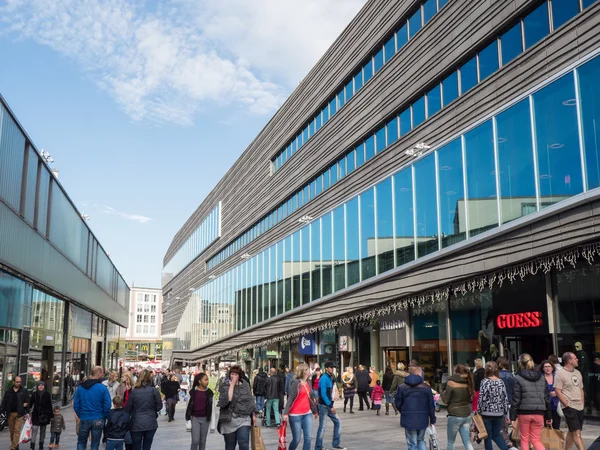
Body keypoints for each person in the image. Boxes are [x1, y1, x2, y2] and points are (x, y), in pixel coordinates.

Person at [510, 353, 551, 450]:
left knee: (524, 439)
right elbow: (547, 398)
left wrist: (512, 416)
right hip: (539, 412)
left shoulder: (518, 378)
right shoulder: (541, 377)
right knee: (536, 440)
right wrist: (549, 416)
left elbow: (516, 398)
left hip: (524, 412)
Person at [395, 361, 436, 450]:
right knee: (421, 440)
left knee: (412, 443)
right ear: (418, 372)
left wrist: (404, 411)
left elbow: (397, 403)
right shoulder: (426, 387)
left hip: (408, 419)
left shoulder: (402, 387)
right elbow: (431, 405)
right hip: (423, 419)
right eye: (421, 372)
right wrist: (432, 419)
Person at [217, 365, 257, 450]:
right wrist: (231, 386)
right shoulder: (225, 386)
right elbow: (228, 400)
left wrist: (253, 414)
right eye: (232, 374)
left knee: (243, 443)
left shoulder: (245, 385)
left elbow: (250, 399)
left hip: (244, 418)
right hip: (229, 419)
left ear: (239, 376)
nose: (234, 376)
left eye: (236, 374)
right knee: (230, 445)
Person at [74, 366, 112, 450]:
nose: (103, 374)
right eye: (102, 373)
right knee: (95, 444)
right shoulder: (102, 388)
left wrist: (81, 415)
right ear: (98, 374)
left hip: (84, 417)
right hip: (98, 417)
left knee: (81, 442)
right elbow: (107, 405)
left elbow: (76, 404)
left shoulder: (80, 388)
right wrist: (104, 416)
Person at [124, 369, 162, 450]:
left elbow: (127, 409)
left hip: (136, 422)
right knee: (147, 446)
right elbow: (159, 407)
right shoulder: (154, 391)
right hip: (151, 422)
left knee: (136, 446)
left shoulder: (134, 392)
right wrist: (152, 409)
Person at [283, 363, 318, 450]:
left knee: (308, 438)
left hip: (307, 414)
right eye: (308, 369)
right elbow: (290, 399)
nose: (310, 370)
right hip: (295, 415)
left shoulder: (308, 382)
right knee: (297, 439)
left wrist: (315, 411)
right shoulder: (295, 383)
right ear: (304, 371)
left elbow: (310, 398)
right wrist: (285, 413)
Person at [554, 352, 585, 450]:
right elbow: (557, 391)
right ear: (569, 361)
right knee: (577, 432)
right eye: (575, 358)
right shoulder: (560, 373)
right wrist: (566, 404)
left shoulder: (578, 373)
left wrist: (582, 403)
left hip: (579, 405)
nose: (577, 360)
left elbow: (581, 389)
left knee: (572, 431)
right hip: (569, 406)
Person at [478, 362, 509, 450]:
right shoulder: (501, 381)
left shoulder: (484, 381)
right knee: (497, 436)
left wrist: (479, 410)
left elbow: (482, 398)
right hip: (499, 413)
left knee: (487, 437)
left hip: (486, 412)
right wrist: (506, 414)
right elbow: (505, 398)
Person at [442, 364, 474, 450]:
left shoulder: (451, 382)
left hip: (455, 414)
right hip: (466, 414)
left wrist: (442, 393)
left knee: (450, 442)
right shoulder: (468, 382)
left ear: (456, 372)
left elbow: (445, 400)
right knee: (467, 442)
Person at [315, 361, 346, 450]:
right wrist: (330, 406)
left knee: (338, 422)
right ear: (326, 368)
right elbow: (323, 394)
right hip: (324, 406)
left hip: (328, 405)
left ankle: (335, 444)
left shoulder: (330, 377)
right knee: (322, 427)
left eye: (333, 367)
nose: (332, 369)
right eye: (331, 367)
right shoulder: (324, 378)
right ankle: (318, 447)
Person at [186, 372, 214, 450]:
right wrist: (188, 419)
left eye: (207, 380)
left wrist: (213, 424)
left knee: (202, 441)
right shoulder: (192, 392)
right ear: (199, 381)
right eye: (205, 380)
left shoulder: (209, 393)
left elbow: (213, 409)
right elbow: (188, 406)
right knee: (195, 440)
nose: (207, 381)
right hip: (194, 418)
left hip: (205, 419)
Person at [0, 376, 29, 450]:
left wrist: (26, 406)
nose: (18, 383)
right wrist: (2, 411)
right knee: (12, 431)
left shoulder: (24, 391)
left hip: (20, 413)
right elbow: (4, 402)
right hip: (10, 413)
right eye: (17, 382)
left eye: (20, 382)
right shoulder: (8, 391)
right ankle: (15, 444)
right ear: (14, 382)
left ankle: (13, 447)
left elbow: (27, 400)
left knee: (17, 430)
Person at [497, 357, 517, 449]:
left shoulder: (497, 375)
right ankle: (511, 439)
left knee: (503, 426)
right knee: (513, 424)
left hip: (501, 403)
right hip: (511, 401)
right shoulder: (512, 375)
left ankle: (508, 443)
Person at [30, 381, 54, 450]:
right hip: (35, 414)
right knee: (34, 429)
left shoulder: (47, 394)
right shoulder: (34, 394)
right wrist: (27, 411)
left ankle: (41, 445)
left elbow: (50, 405)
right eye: (39, 385)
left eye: (42, 385)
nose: (41, 386)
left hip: (44, 415)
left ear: (44, 386)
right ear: (37, 386)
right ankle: (32, 446)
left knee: (43, 431)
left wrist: (51, 415)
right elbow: (30, 403)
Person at [540, 359, 561, 429]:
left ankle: (556, 439)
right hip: (545, 405)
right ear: (542, 368)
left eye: (549, 366)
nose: (547, 368)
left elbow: (564, 388)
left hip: (556, 404)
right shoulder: (540, 378)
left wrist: (557, 393)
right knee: (546, 426)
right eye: (545, 367)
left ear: (552, 367)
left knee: (556, 425)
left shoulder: (557, 377)